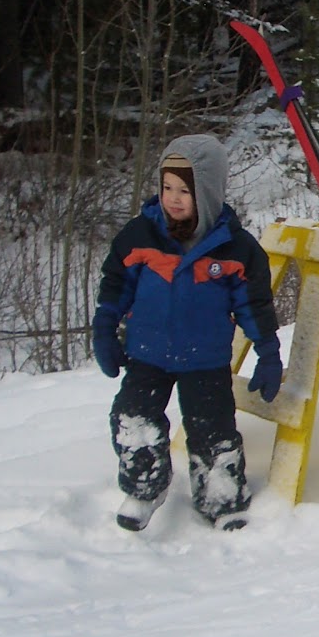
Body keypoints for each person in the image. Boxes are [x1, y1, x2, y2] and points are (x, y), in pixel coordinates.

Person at [91, 135, 284, 533]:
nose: (173, 198)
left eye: (185, 189)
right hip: (147, 355)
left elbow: (254, 305)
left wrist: (267, 351)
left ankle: (222, 498)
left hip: (206, 358)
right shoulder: (140, 235)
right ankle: (145, 488)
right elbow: (115, 286)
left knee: (212, 429)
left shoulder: (236, 249)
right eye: (167, 187)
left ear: (208, 191)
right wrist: (105, 330)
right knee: (133, 419)